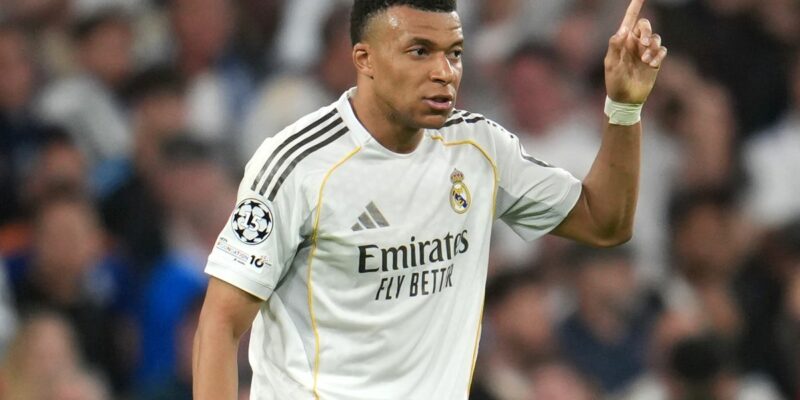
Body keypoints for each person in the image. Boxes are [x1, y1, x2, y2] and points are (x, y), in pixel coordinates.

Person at [193, 0, 667, 398]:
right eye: (420, 51)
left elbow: (604, 221)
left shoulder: (479, 148)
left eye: (454, 53)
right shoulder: (299, 164)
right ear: (365, 59)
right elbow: (219, 324)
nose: (444, 72)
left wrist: (624, 108)